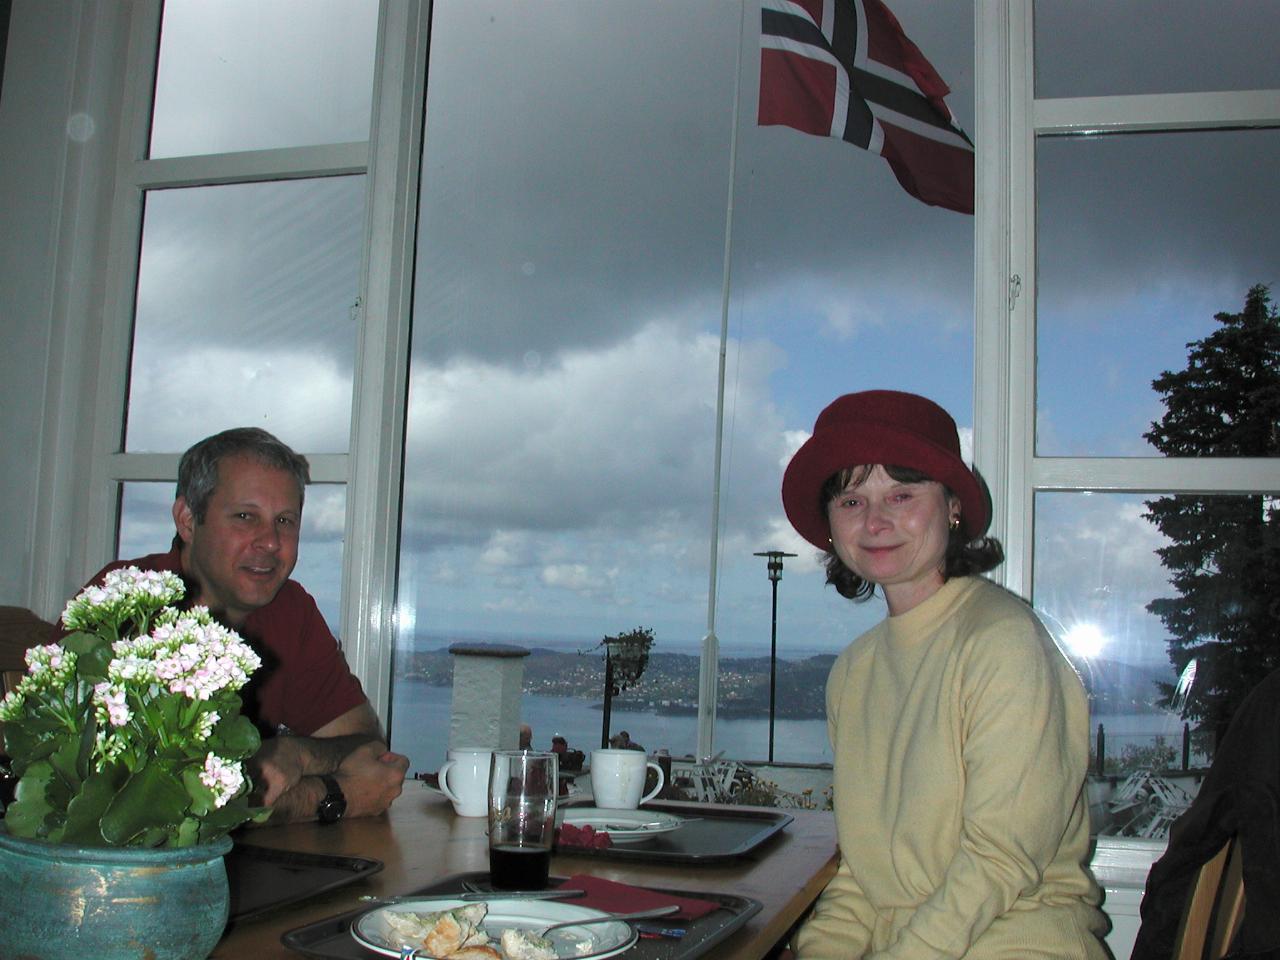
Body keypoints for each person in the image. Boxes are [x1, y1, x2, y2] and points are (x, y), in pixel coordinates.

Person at [780, 391, 1107, 959]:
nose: (876, 520)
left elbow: (1000, 861)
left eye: (901, 494)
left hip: (1014, 943)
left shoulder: (1002, 642)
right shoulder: (855, 672)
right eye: (852, 501)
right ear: (831, 526)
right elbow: (864, 875)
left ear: (952, 507)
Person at [69, 427, 409, 824]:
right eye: (245, 517)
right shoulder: (122, 605)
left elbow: (369, 750)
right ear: (188, 520)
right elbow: (131, 805)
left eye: (285, 520)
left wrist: (296, 754)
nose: (270, 541)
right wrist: (331, 795)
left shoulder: (290, 608)